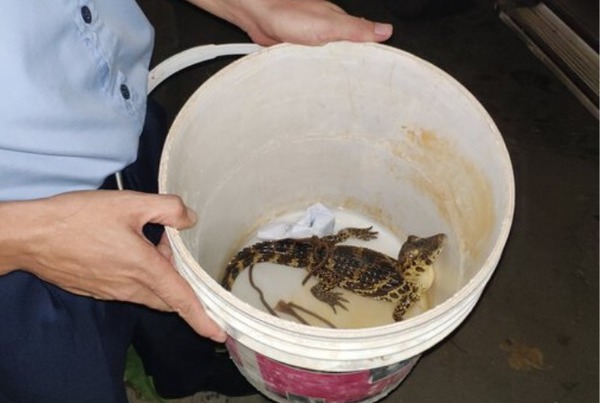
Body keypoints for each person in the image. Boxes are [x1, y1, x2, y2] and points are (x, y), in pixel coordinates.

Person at [0, 0, 393, 402]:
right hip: (16, 251)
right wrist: (24, 238)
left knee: (183, 312)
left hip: (128, 124)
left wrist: (252, 6)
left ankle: (186, 377)